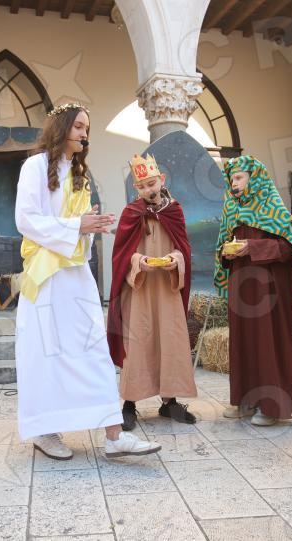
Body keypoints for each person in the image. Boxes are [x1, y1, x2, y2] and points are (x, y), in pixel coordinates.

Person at [15, 103, 161, 460]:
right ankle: (45, 431)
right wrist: (76, 225)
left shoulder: (79, 174)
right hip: (46, 276)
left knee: (93, 349)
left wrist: (90, 226)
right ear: (61, 127)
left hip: (76, 276)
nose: (84, 133)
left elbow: (77, 227)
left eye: (87, 128)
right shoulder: (35, 167)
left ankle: (114, 435)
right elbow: (26, 219)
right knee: (47, 352)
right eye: (79, 126)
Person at [214, 155, 292, 426]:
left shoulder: (272, 206)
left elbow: (291, 248)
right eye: (232, 179)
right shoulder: (231, 208)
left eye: (239, 178)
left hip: (270, 290)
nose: (234, 183)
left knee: (269, 342)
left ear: (255, 179)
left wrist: (252, 248)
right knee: (243, 342)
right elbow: (223, 243)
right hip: (242, 288)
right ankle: (245, 400)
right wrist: (226, 254)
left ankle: (272, 407)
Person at [107, 154, 196, 430]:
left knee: (170, 340)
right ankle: (129, 404)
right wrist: (138, 261)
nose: (148, 189)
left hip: (167, 288)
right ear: (136, 188)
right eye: (142, 186)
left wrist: (175, 260)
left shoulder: (174, 211)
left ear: (162, 180)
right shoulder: (131, 213)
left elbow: (183, 249)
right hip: (139, 289)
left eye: (152, 183)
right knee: (138, 342)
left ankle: (170, 401)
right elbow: (120, 255)